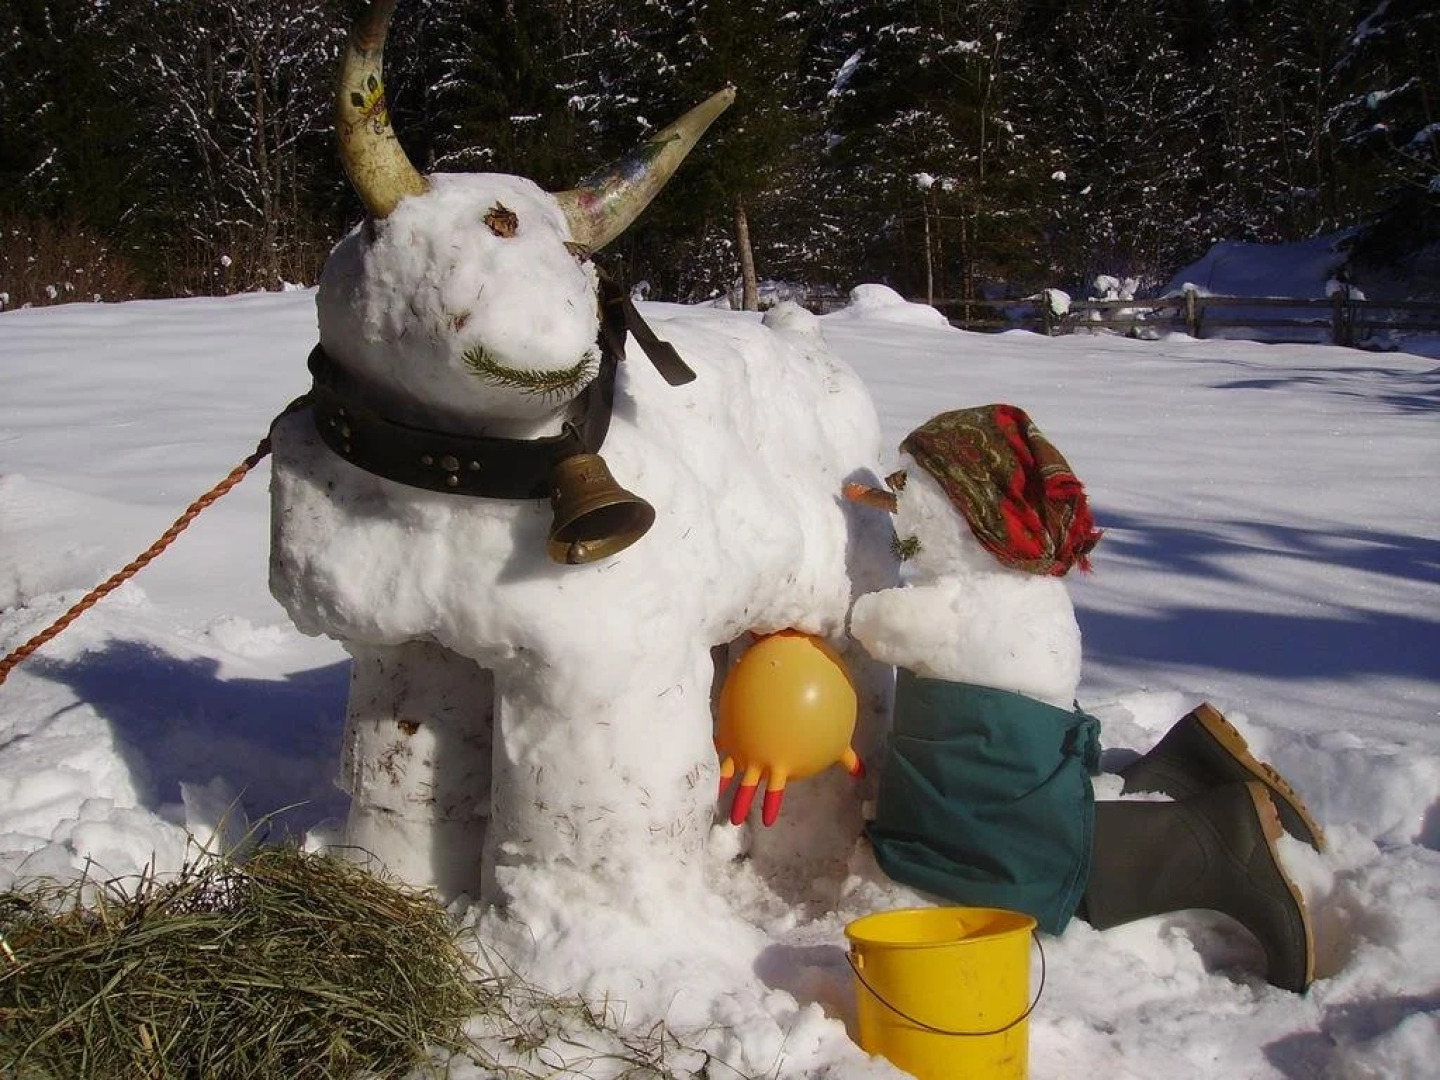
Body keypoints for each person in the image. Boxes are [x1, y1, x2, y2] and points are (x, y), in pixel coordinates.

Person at [844, 406, 1321, 993]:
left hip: (990, 795)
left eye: (913, 485)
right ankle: (1179, 765)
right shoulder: (1035, 594)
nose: (900, 498)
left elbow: (871, 620)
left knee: (1016, 865)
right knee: (1024, 816)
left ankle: (1215, 841)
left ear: (967, 510)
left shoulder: (951, 607)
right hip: (1014, 761)